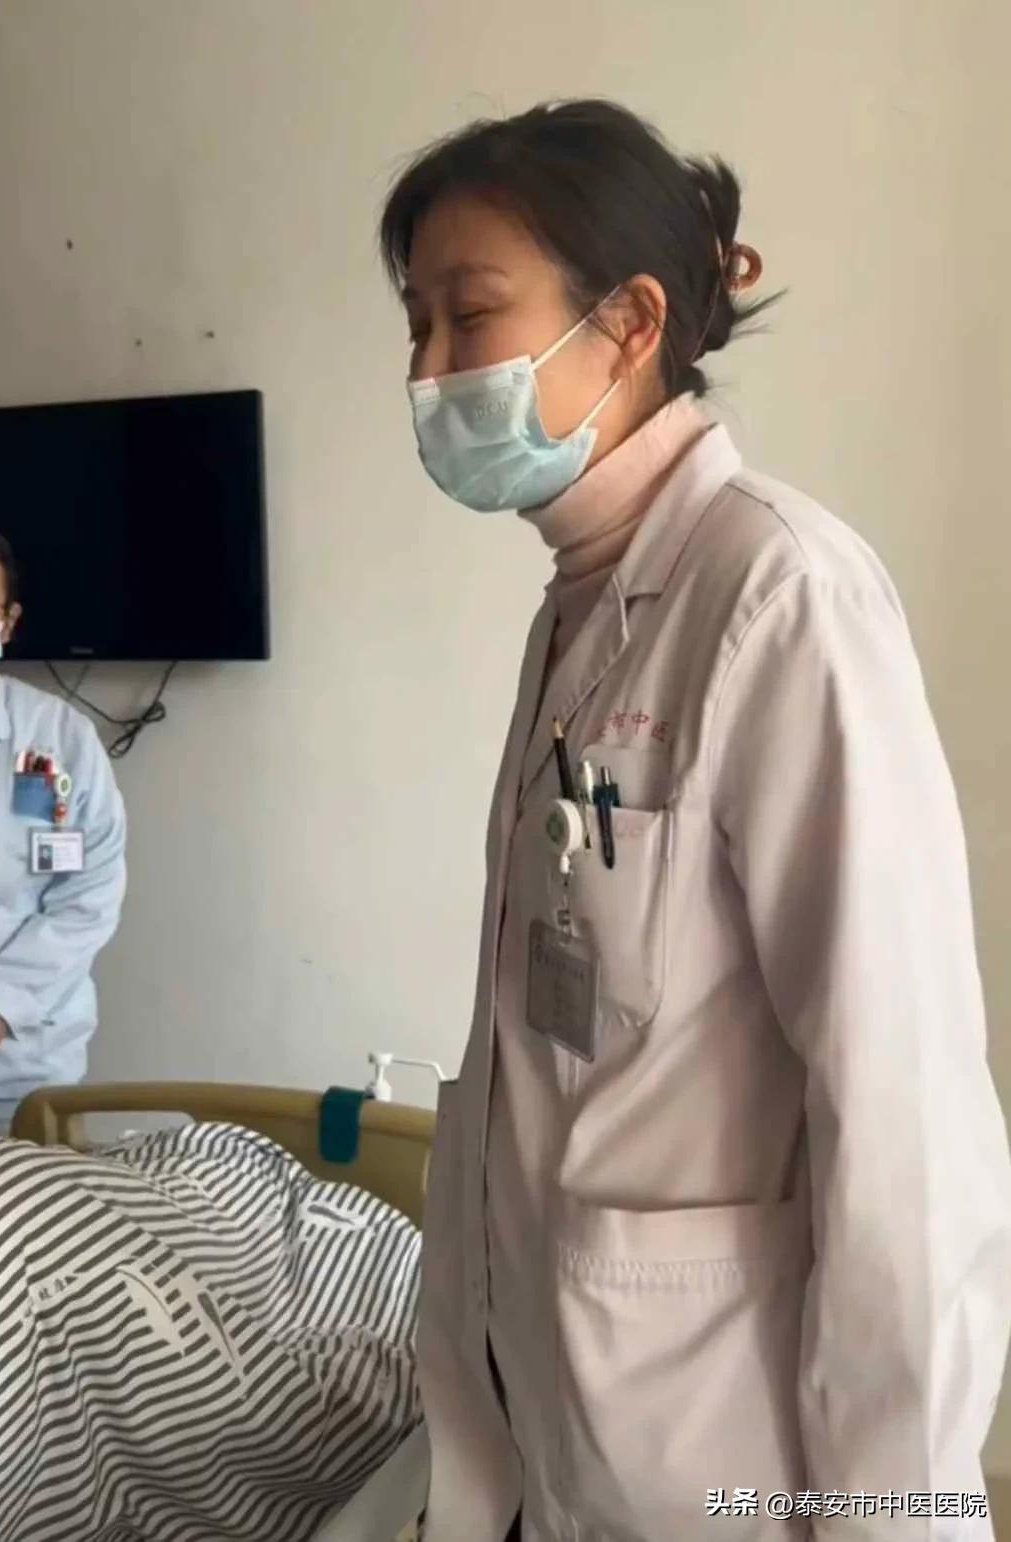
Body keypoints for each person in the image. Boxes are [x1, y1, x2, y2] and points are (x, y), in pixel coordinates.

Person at [379, 100, 1011, 1540]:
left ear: (630, 322)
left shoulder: (782, 595)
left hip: (724, 1447)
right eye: (413, 326)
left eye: (468, 315)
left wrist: (895, 1512)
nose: (425, 373)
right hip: (565, 1410)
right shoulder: (582, 606)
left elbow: (904, 1116)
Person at [0, 515, 126, 1136]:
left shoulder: (61, 738)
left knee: (21, 1202)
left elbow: (87, 895)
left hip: (18, 1065)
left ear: (7, 622)